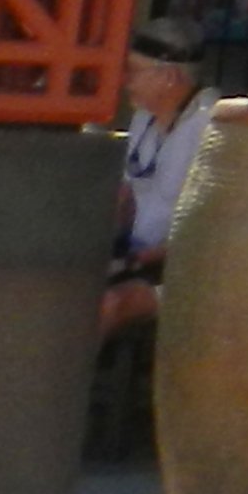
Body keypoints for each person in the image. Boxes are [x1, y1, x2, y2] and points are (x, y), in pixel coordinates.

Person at [100, 18, 217, 339]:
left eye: (134, 71)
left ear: (169, 77)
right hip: (133, 255)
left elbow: (208, 228)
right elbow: (127, 193)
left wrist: (138, 260)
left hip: (183, 270)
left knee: (107, 306)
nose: (125, 81)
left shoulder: (210, 126)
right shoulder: (144, 117)